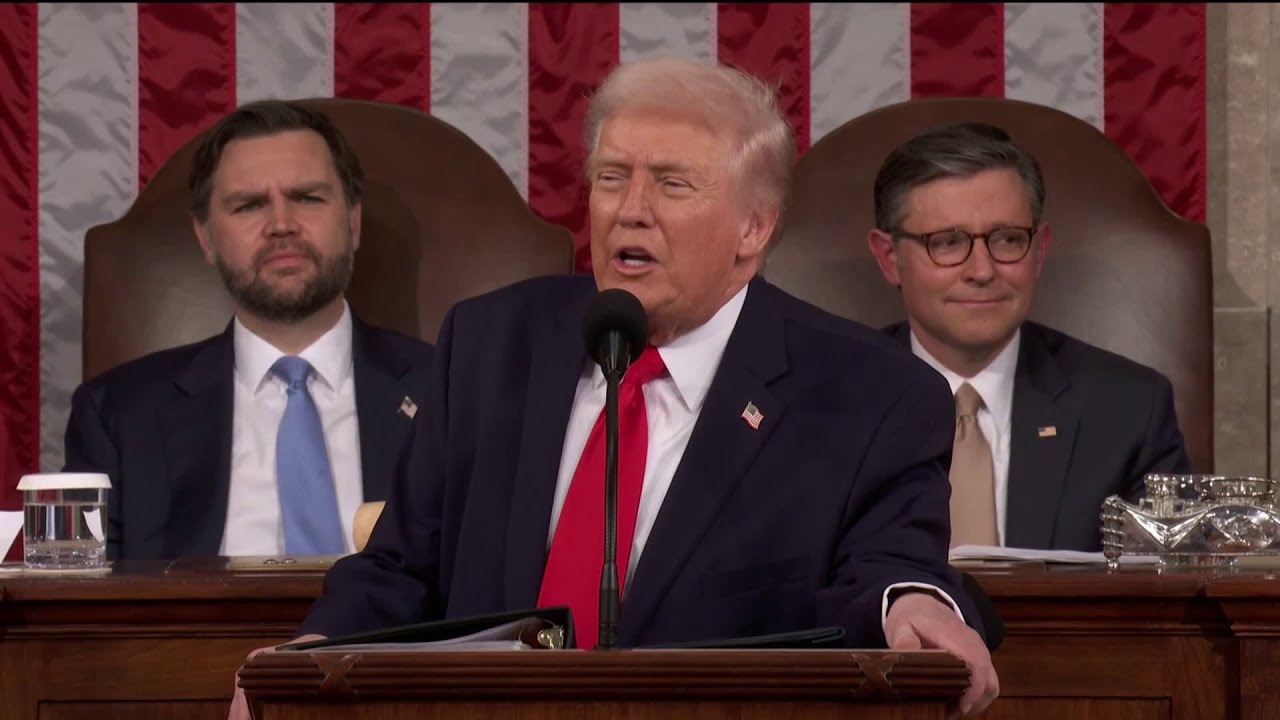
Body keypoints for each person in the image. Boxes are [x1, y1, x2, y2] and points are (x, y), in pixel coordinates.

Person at [229, 59, 998, 719]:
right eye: (611, 178)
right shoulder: (491, 345)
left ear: (754, 229)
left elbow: (892, 568)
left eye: (672, 184)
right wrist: (307, 659)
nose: (631, 211)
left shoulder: (868, 393)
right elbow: (402, 567)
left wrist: (913, 604)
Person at [62, 100, 434, 560]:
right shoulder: (117, 416)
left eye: (308, 198)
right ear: (206, 239)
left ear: (353, 222)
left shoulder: (453, 392)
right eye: (249, 205)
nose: (281, 225)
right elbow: (83, 592)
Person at [866, 122, 1191, 552]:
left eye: (1007, 239)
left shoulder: (1129, 409)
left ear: (1039, 251)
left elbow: (1169, 584)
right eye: (947, 243)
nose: (982, 271)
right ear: (890, 258)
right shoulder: (826, 402)